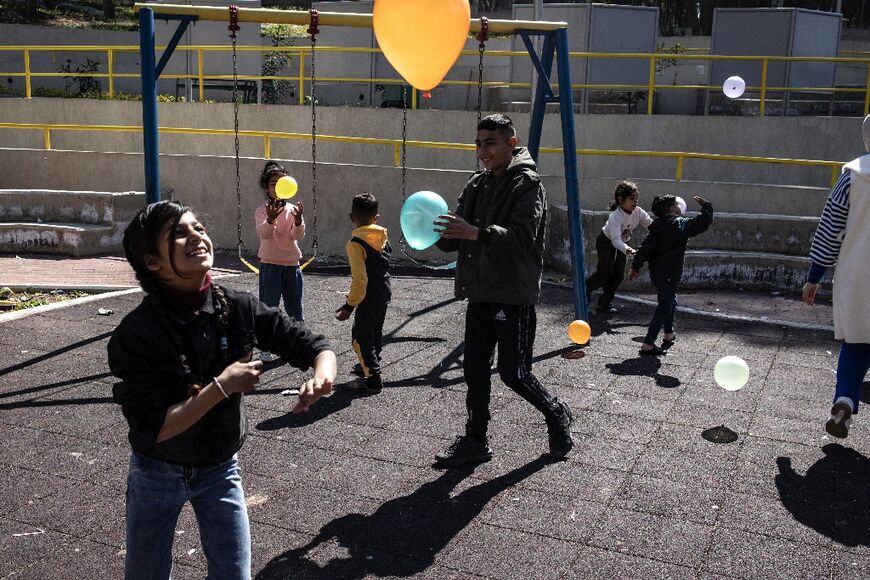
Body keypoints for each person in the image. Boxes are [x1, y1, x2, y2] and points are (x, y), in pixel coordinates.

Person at [107, 200, 336, 580]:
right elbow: (155, 427)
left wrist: (322, 377)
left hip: (219, 468)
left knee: (233, 574)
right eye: (179, 234)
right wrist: (223, 386)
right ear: (152, 261)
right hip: (156, 470)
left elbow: (314, 345)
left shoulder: (238, 307)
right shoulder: (136, 334)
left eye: (198, 228)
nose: (197, 237)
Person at [432, 113, 573, 467]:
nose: (483, 151)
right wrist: (437, 231)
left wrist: (475, 232)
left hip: (512, 294)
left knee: (515, 373)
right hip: (479, 291)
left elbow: (523, 239)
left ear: (511, 143)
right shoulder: (477, 184)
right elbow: (457, 237)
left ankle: (556, 412)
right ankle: (475, 440)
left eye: (490, 143)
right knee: (475, 370)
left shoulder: (528, 185)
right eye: (479, 144)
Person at [803, 114, 870, 439]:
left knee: (857, 343)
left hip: (859, 276)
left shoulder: (852, 177)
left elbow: (830, 231)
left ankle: (845, 397)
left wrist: (814, 276)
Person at [628, 194, 713, 356]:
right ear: (671, 209)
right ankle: (648, 343)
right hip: (670, 273)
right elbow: (703, 221)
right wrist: (707, 205)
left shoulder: (656, 227)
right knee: (665, 305)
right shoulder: (680, 224)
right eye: (677, 204)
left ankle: (668, 333)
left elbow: (645, 248)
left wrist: (635, 266)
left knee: (670, 299)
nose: (680, 206)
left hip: (657, 273)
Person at [335, 193, 392, 395]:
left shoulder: (356, 243)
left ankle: (373, 379)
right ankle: (368, 364)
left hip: (368, 297)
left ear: (352, 217)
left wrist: (349, 306)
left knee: (360, 338)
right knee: (374, 333)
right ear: (376, 217)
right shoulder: (382, 237)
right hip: (383, 293)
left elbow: (360, 279)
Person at [255, 161, 306, 345]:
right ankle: (266, 346)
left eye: (282, 182)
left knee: (295, 309)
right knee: (269, 308)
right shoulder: (262, 211)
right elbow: (264, 234)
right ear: (266, 187)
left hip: (292, 266)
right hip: (270, 266)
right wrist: (270, 220)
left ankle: (299, 343)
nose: (278, 187)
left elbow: (296, 236)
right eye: (273, 183)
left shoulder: (293, 210)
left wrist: (298, 222)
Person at [585, 180, 653, 314]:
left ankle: (604, 303)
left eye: (637, 198)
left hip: (623, 243)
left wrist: (664, 230)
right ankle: (585, 289)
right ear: (621, 200)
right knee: (606, 270)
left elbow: (652, 226)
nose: (635, 201)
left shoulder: (638, 212)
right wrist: (629, 250)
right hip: (606, 242)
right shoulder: (615, 216)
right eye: (632, 198)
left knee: (618, 275)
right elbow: (615, 240)